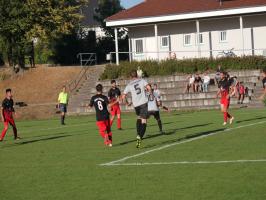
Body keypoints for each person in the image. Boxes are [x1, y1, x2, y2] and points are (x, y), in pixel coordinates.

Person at [121, 70, 151, 148]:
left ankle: (138, 134)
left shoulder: (129, 85)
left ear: (131, 76)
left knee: (138, 118)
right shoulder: (142, 80)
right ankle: (140, 137)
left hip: (136, 105)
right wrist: (149, 93)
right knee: (144, 120)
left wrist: (126, 103)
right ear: (137, 75)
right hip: (143, 103)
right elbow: (148, 87)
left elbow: (123, 96)